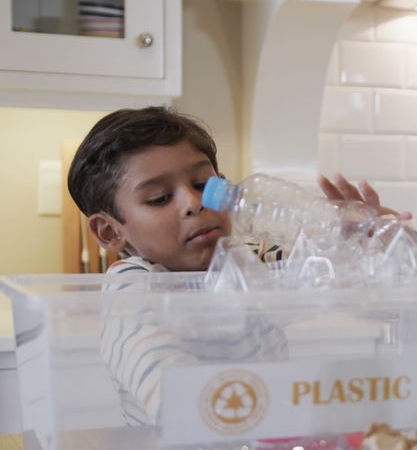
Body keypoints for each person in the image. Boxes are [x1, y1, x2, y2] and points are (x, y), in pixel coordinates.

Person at [68, 106, 394, 423]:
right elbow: (174, 400)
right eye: (159, 199)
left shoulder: (250, 256)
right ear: (111, 231)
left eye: (202, 185)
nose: (194, 203)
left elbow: (344, 283)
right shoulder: (132, 288)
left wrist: (367, 244)